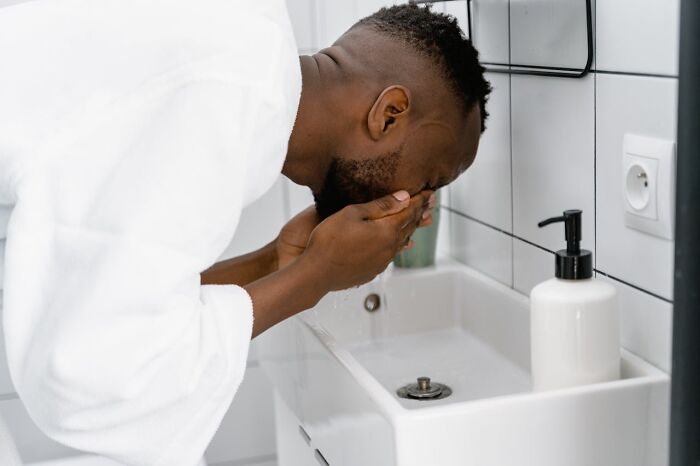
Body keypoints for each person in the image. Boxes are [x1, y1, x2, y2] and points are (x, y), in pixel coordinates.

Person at [0, 1, 490, 465]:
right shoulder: (220, 101)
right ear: (388, 114)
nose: (420, 203)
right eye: (430, 181)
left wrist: (276, 262)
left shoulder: (244, 43)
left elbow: (119, 301)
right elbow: (94, 373)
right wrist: (315, 277)